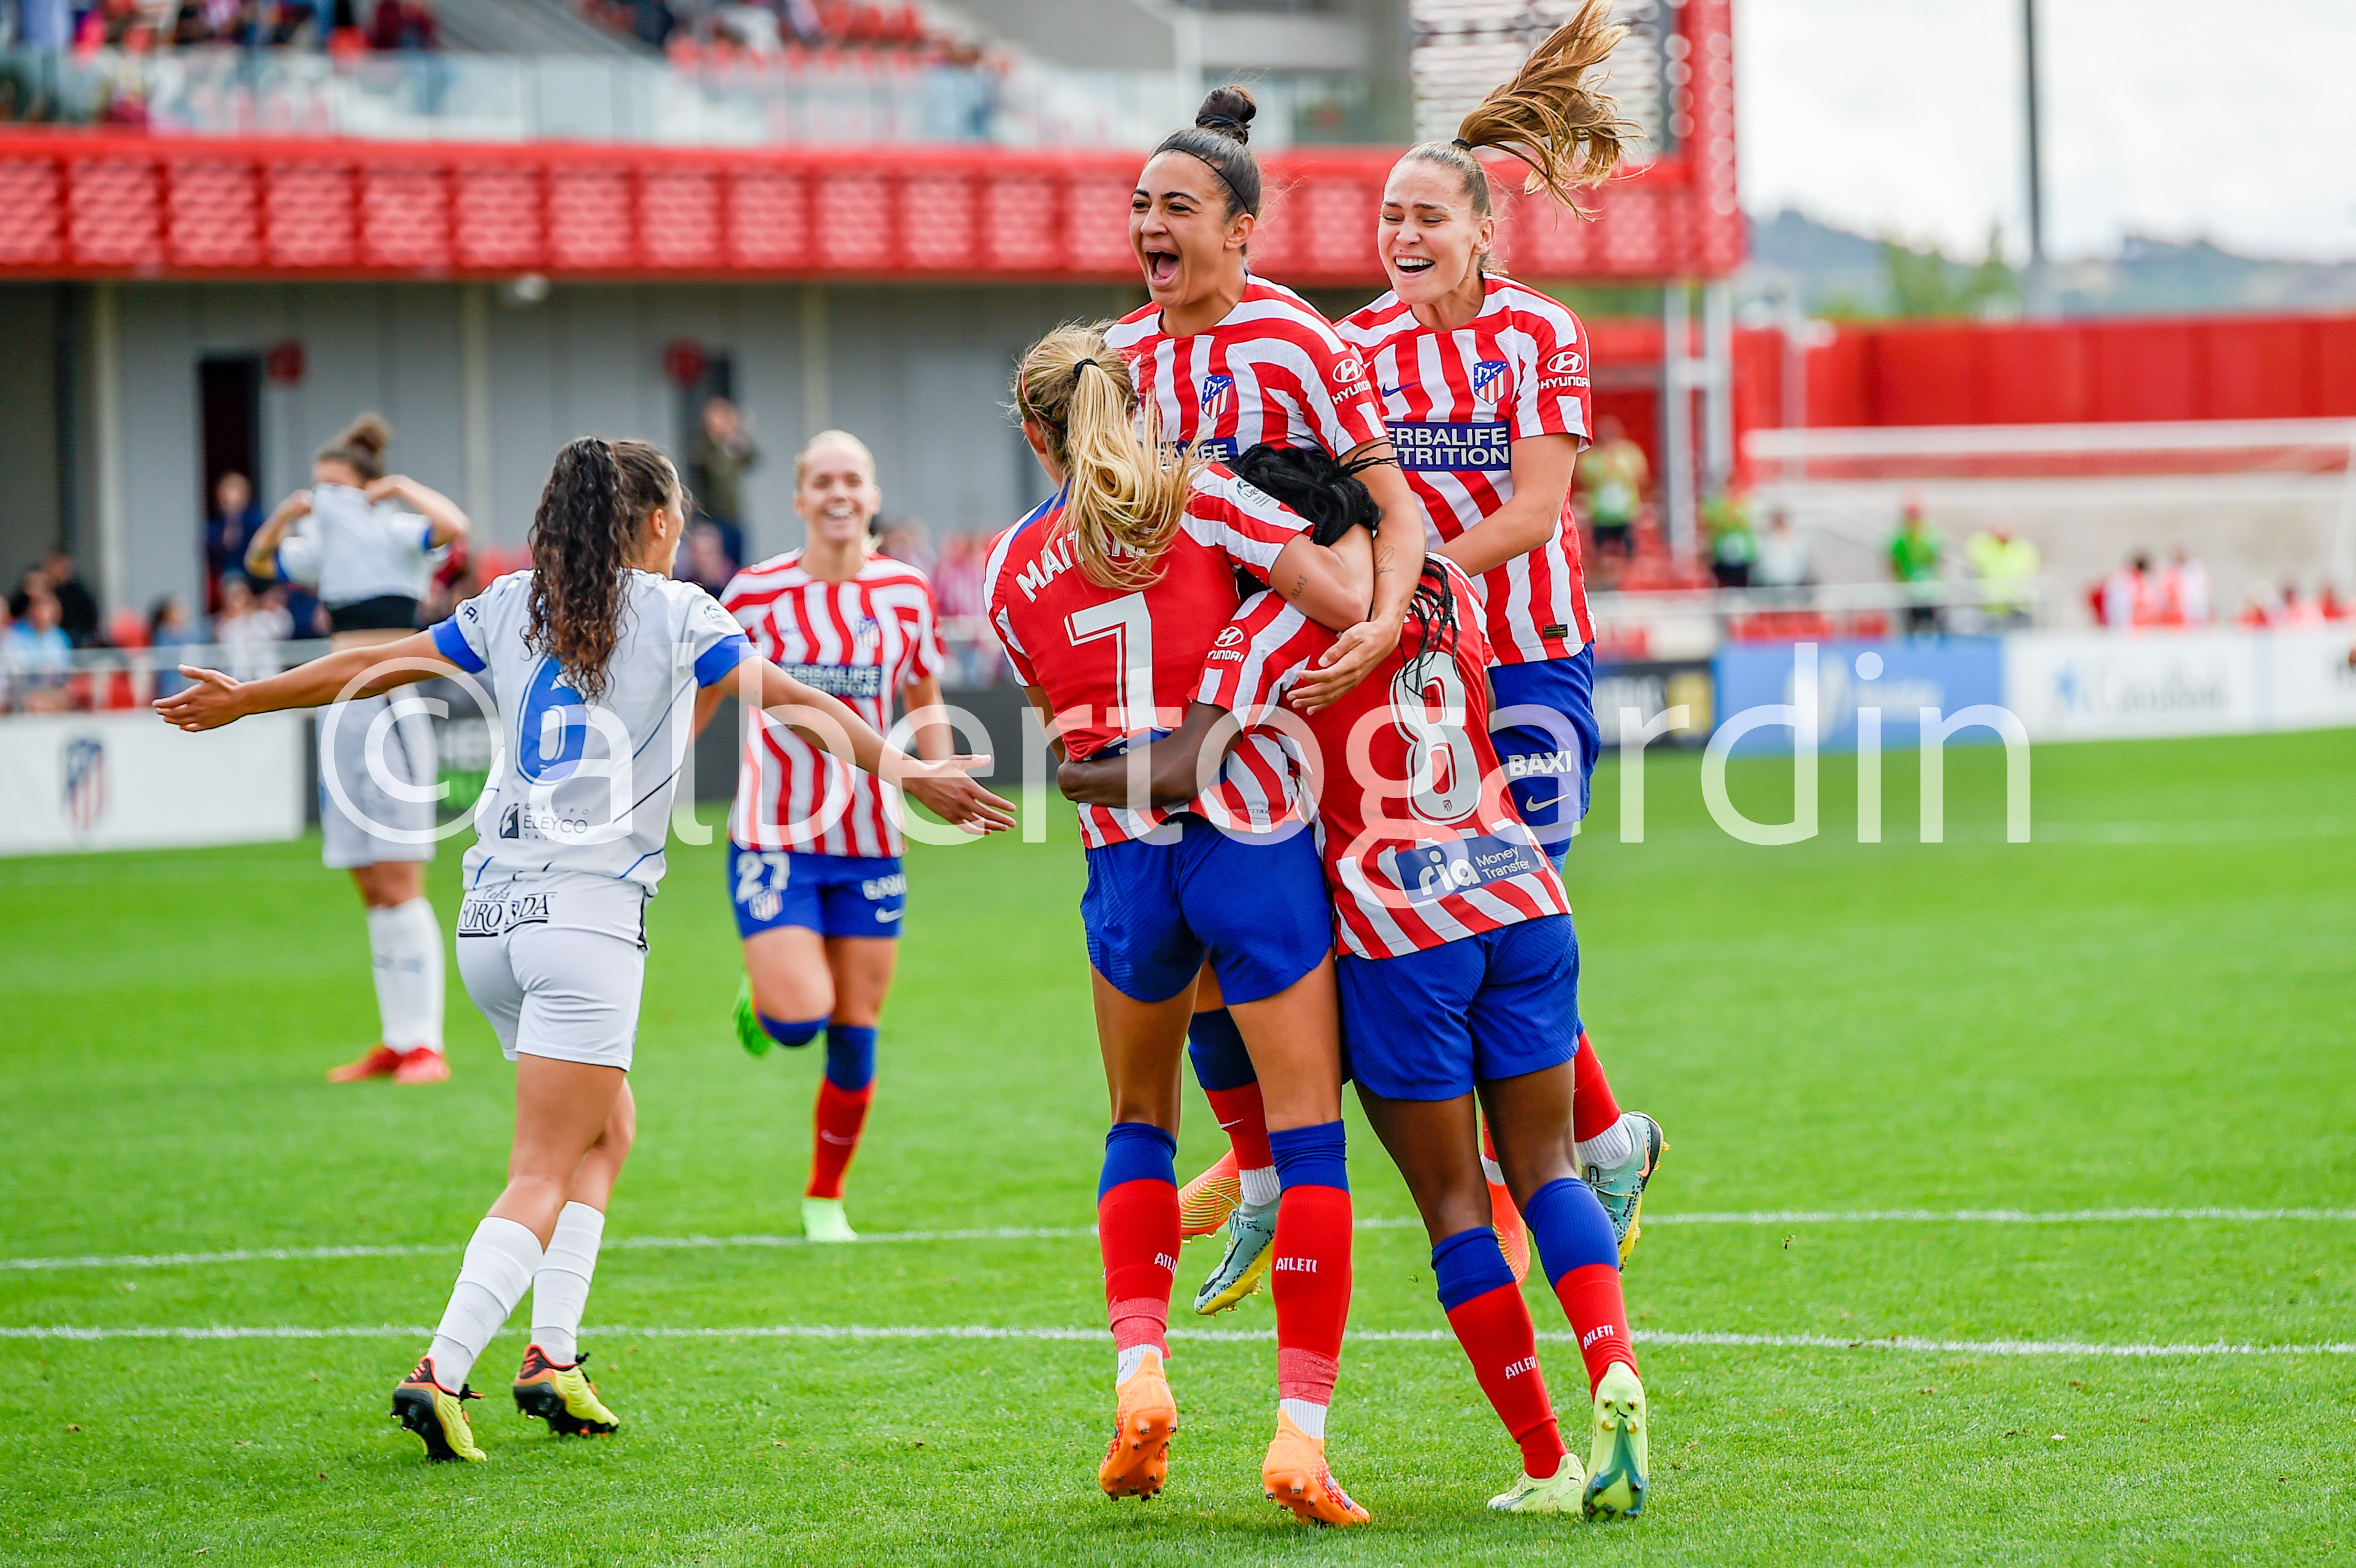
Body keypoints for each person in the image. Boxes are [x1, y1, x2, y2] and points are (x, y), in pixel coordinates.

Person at [157, 435, 1012, 1465]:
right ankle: (441, 1368)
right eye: (678, 516)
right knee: (542, 1169)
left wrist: (249, 697)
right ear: (655, 522)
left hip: (490, 921)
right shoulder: (681, 611)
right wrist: (912, 775)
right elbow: (802, 707)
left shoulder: (512, 604)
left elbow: (373, 664)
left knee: (609, 1134)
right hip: (585, 924)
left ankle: (552, 1358)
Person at [1185, 4, 1669, 1300]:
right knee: (1432, 916)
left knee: (1507, 903)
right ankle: (1597, 1149)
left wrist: (1407, 589)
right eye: (1389, 218)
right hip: (1408, 681)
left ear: (1482, 231)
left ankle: (1549, 1179)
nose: (1403, 236)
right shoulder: (1353, 347)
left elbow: (1534, 511)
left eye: (1428, 218)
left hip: (1528, 663)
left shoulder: (1541, 333)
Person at [1058, 553, 1653, 1521]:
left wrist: (1078, 771)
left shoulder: (1268, 630)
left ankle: (1547, 1460)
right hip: (1523, 894)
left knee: (1456, 1209)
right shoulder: (1445, 580)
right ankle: (1613, 1363)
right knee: (1547, 1169)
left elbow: (1182, 769)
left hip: (1404, 928)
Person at [987, 323, 1380, 1525]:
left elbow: (1063, 731)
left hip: (1127, 864)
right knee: (1310, 1147)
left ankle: (1140, 1376)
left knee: (1138, 1126)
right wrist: (1355, 515)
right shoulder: (1204, 498)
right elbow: (1346, 602)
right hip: (1249, 840)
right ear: (1137, 400)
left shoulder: (1009, 568)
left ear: (1035, 432)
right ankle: (1300, 1437)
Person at [1104, 83, 1432, 1306]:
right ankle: (1257, 1176)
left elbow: (1394, 509)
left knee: (1403, 938)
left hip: (1318, 684)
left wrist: (1382, 621)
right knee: (1197, 953)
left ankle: (1539, 1173)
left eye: (1177, 207)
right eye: (1140, 205)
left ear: (1240, 230)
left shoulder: (1302, 344)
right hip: (1189, 700)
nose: (1151, 225)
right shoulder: (1118, 361)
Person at [695, 430, 949, 1243]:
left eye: (853, 480)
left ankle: (824, 1198)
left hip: (871, 841)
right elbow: (706, 687)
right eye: (824, 481)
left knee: (855, 1034)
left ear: (872, 496)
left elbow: (922, 690)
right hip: (776, 836)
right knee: (802, 1016)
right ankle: (768, 996)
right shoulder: (755, 592)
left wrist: (940, 770)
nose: (840, 494)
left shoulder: (906, 591)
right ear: (800, 498)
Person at [244, 415, 469, 1085]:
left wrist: (396, 488)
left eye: (336, 487)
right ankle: (397, 1040)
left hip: (391, 702)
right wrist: (287, 515)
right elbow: (259, 563)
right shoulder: (320, 545)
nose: (326, 500)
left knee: (399, 877)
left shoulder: (396, 532)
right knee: (369, 882)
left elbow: (452, 525)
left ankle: (426, 1044)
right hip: (340, 706)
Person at [687, 396, 758, 572]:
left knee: (737, 568)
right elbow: (717, 470)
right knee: (716, 571)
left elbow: (751, 459)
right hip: (713, 520)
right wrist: (723, 441)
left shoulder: (731, 446)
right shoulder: (703, 448)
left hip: (734, 517)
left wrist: (739, 434)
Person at [1576, 415, 1646, 559]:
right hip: (1599, 513)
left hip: (1625, 512)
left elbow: (1641, 476)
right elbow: (1582, 477)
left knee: (1628, 552)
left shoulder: (1630, 453)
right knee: (1599, 552)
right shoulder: (1591, 457)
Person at [2, 588, 73, 712]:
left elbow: (65, 667)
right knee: (34, 703)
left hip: (53, 688)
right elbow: (17, 668)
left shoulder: (60, 636)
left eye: (47, 609)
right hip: (25, 688)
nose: (43, 614)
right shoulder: (17, 633)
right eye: (39, 609)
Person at [1963, 521, 2040, 626]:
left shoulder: (2023, 548)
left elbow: (2029, 571)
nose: (2002, 532)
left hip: (2017, 605)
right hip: (1989, 606)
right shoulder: (1982, 546)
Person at [205, 472, 263, 610]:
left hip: (256, 576)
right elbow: (214, 551)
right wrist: (231, 519)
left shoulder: (255, 519)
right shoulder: (216, 525)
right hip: (228, 577)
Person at [1889, 499, 1943, 634]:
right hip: (1908, 590)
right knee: (1911, 627)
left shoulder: (1929, 536)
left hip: (1929, 590)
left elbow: (1936, 559)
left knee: (1934, 624)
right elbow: (1894, 562)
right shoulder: (1900, 538)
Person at [1752, 509, 1812, 592]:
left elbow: (1803, 563)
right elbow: (1761, 566)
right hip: (1769, 585)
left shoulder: (1797, 541)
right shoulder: (1765, 541)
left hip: (1793, 584)